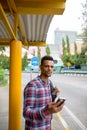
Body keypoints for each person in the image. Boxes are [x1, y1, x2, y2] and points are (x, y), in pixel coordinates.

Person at [23, 55, 64, 130]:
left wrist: (54, 96)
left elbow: (45, 104)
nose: (49, 69)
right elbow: (26, 113)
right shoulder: (33, 85)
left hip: (47, 126)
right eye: (46, 66)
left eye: (52, 67)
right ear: (40, 67)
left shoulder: (49, 83)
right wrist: (47, 110)